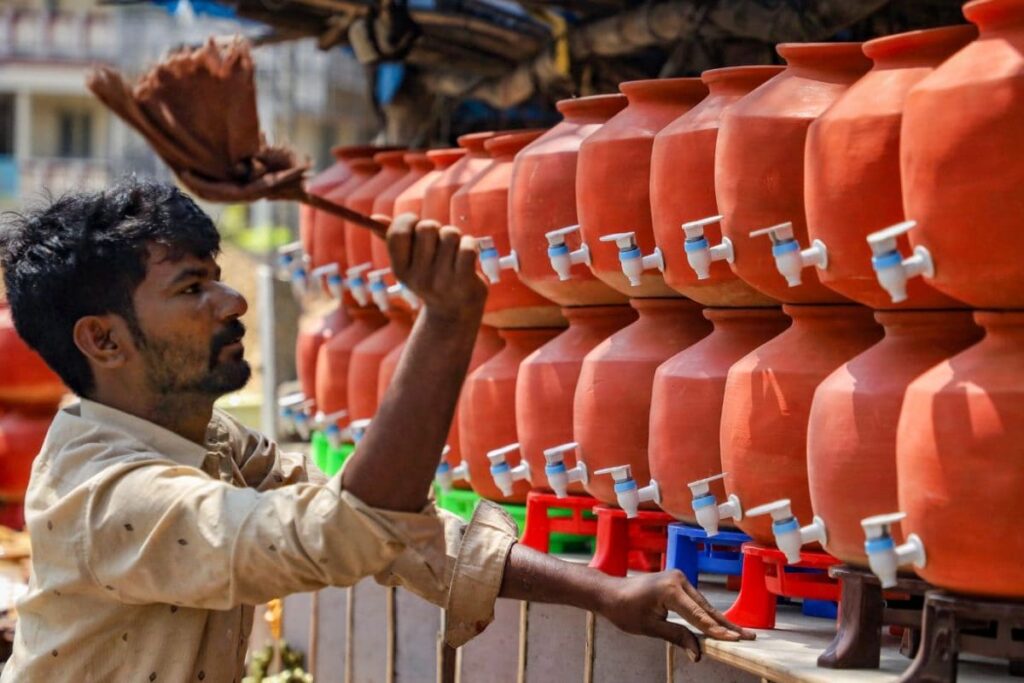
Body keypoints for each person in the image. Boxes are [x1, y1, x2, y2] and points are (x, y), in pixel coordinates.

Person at [0, 178, 751, 681]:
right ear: (104, 339)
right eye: (193, 288)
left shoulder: (210, 440)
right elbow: (341, 532)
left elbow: (399, 536)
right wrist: (447, 322)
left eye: (218, 275)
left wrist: (604, 591)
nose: (232, 301)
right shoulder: (109, 496)